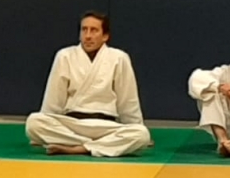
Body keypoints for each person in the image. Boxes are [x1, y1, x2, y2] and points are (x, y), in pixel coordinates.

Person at [24, 11, 152, 158]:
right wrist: (43, 127)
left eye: (94, 30)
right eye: (84, 30)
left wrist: (136, 124)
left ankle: (78, 148)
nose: (88, 36)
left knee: (141, 134)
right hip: (72, 124)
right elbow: (54, 98)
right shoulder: (65, 56)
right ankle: (100, 145)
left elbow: (127, 100)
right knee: (34, 122)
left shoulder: (119, 58)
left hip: (105, 126)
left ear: (105, 36)